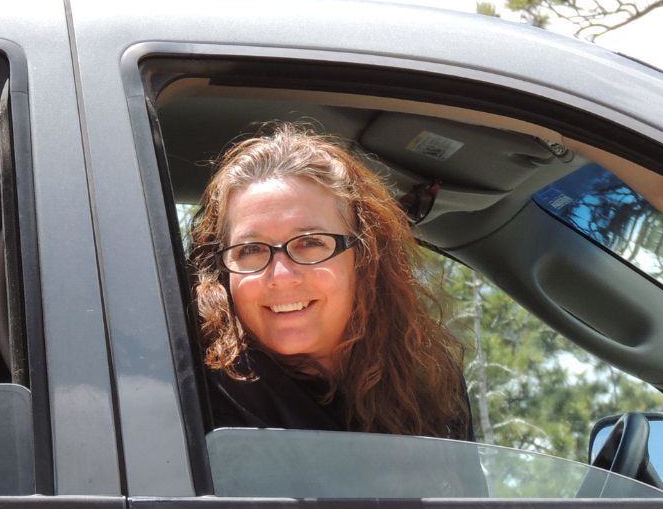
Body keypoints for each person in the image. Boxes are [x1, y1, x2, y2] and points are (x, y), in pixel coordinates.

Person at [188, 123, 470, 438]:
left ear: (364, 257)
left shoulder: (431, 386)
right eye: (251, 250)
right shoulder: (197, 401)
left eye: (310, 243)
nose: (281, 277)